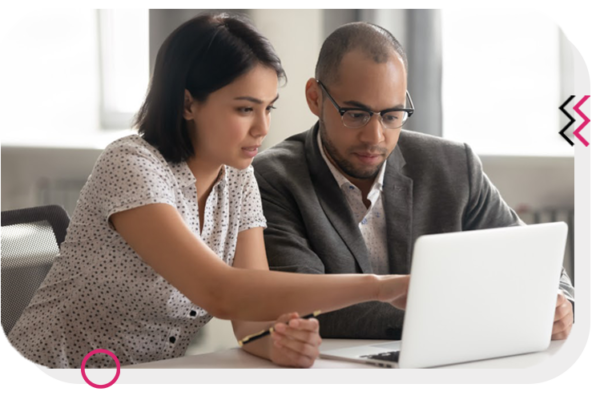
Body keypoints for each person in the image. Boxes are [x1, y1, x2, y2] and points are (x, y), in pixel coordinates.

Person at [5, 14, 412, 369]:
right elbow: (222, 292)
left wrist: (280, 345)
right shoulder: (130, 165)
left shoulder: (239, 179)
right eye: (244, 109)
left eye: (268, 108)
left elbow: (251, 318)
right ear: (187, 103)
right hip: (59, 369)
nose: (262, 128)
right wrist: (379, 286)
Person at [253, 21, 575, 341]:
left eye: (392, 116)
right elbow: (304, 307)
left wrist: (559, 304)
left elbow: (535, 264)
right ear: (315, 98)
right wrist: (486, 310)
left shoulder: (454, 166)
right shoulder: (274, 179)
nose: (375, 137)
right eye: (355, 114)